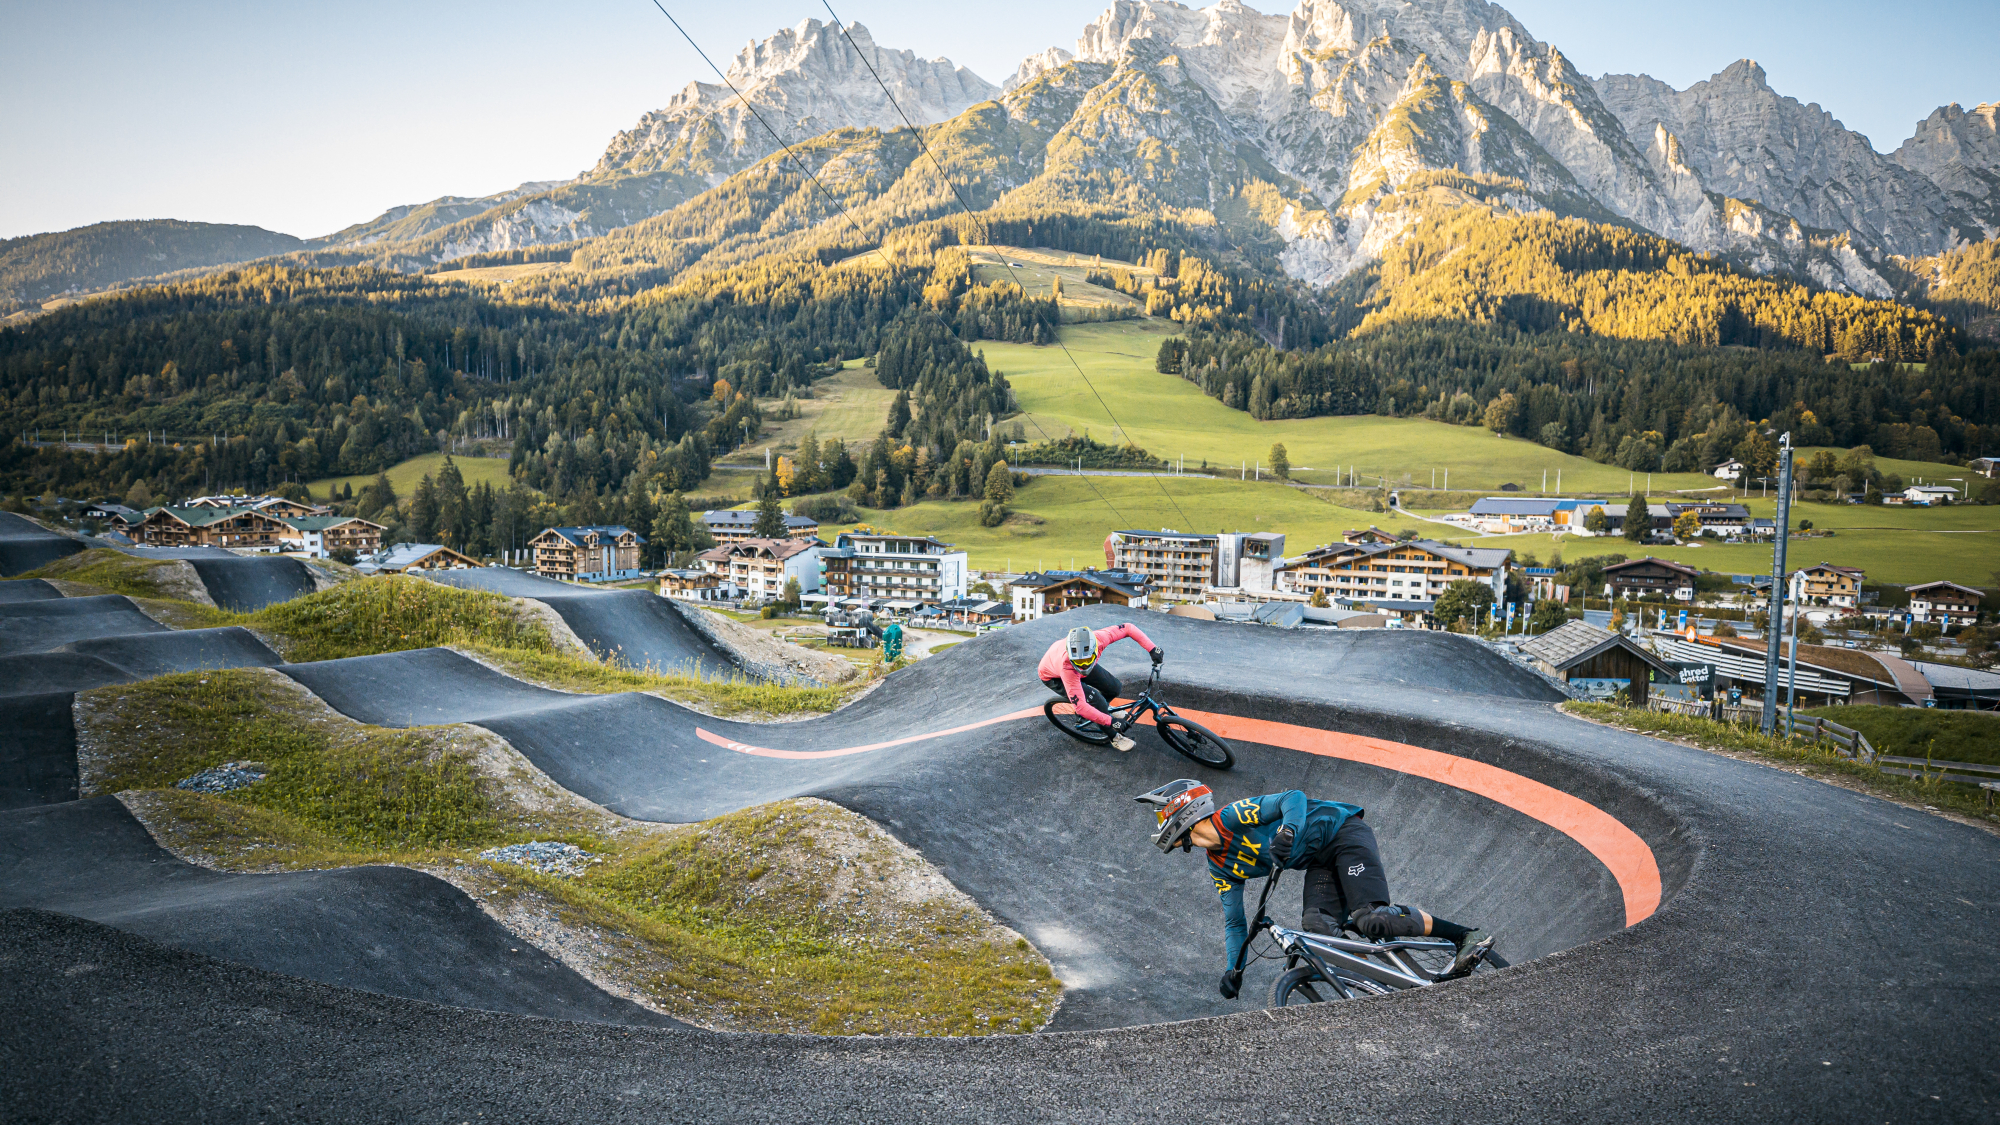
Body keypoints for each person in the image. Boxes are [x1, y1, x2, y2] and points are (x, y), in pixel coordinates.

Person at [1135, 779, 1495, 997]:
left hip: (1343, 833)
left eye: (1162, 815)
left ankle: (1467, 936)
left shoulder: (1232, 816)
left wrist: (1288, 829)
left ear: (1181, 813)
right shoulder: (1220, 867)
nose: (1160, 823)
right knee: (1318, 926)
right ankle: (1380, 984)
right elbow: (1234, 924)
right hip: (1320, 861)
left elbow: (1294, 798)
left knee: (1370, 920)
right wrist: (1234, 970)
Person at [1039, 623, 1162, 752]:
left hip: (1071, 661)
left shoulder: (1100, 639)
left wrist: (1152, 648)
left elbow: (1128, 628)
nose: (1084, 667)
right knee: (1096, 701)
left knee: (1114, 687)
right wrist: (1111, 721)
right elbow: (1080, 707)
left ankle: (1101, 709)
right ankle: (1114, 737)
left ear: (1095, 649)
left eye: (1087, 660)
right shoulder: (1067, 666)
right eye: (1080, 663)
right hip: (1054, 676)